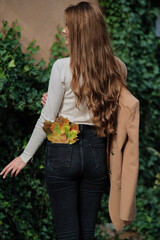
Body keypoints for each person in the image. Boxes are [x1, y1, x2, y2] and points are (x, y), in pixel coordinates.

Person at [0, 1, 140, 239]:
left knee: (67, 233)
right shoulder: (117, 67)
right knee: (87, 232)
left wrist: (25, 156)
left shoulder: (62, 67)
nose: (63, 31)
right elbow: (114, 104)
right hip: (97, 152)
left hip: (63, 148)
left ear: (81, 31)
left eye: (68, 26)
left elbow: (48, 116)